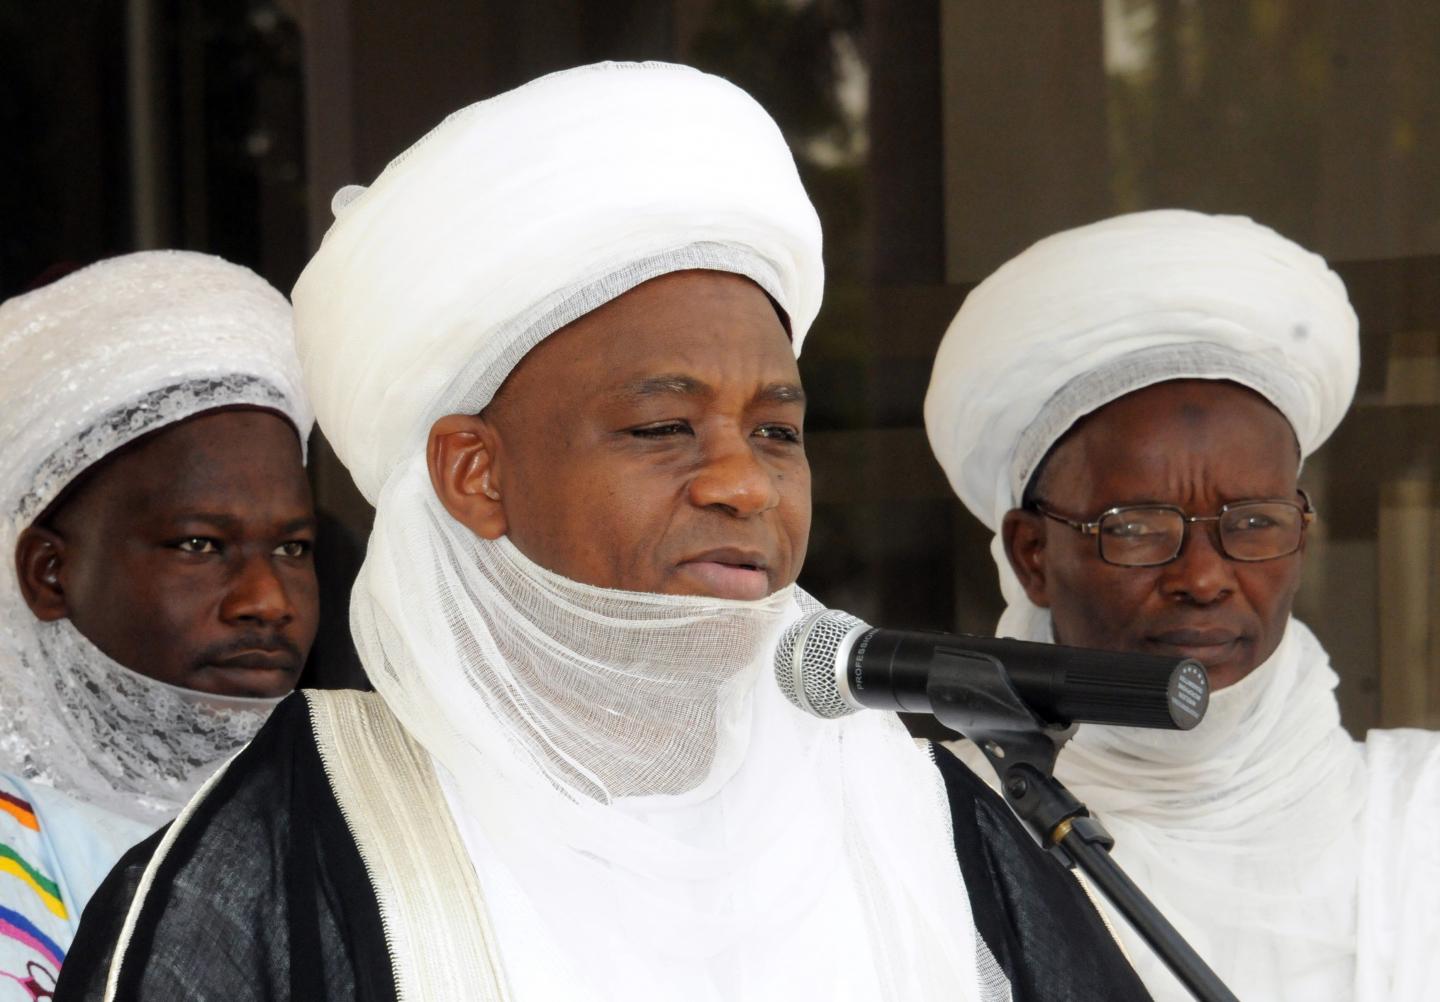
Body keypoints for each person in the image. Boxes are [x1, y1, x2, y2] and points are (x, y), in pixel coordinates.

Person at [56, 64, 1148, 1002]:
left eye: (777, 431)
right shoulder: (280, 856)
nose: (743, 484)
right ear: (476, 475)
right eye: (663, 427)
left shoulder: (936, 824)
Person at [925, 209, 1440, 1001]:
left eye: (1253, 524)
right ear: (1034, 555)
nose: (1203, 576)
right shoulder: (931, 828)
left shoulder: (1422, 823)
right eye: (1136, 529)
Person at [0, 250, 318, 996]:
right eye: (200, 545)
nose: (267, 599)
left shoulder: (361, 819)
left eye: (293, 547)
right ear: (50, 574)